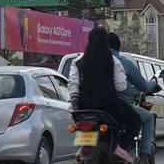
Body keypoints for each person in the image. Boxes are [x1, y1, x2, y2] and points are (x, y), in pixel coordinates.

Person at [68, 27, 140, 164]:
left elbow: (73, 87)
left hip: (84, 107)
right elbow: (121, 86)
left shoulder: (77, 62)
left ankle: (82, 146)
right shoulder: (113, 61)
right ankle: (121, 148)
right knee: (135, 120)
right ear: (105, 43)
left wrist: (76, 109)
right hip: (109, 105)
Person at [107, 33, 159, 164]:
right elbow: (143, 86)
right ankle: (143, 156)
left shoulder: (91, 62)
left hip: (96, 106)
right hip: (120, 106)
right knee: (148, 118)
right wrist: (153, 84)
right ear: (118, 47)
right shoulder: (123, 63)